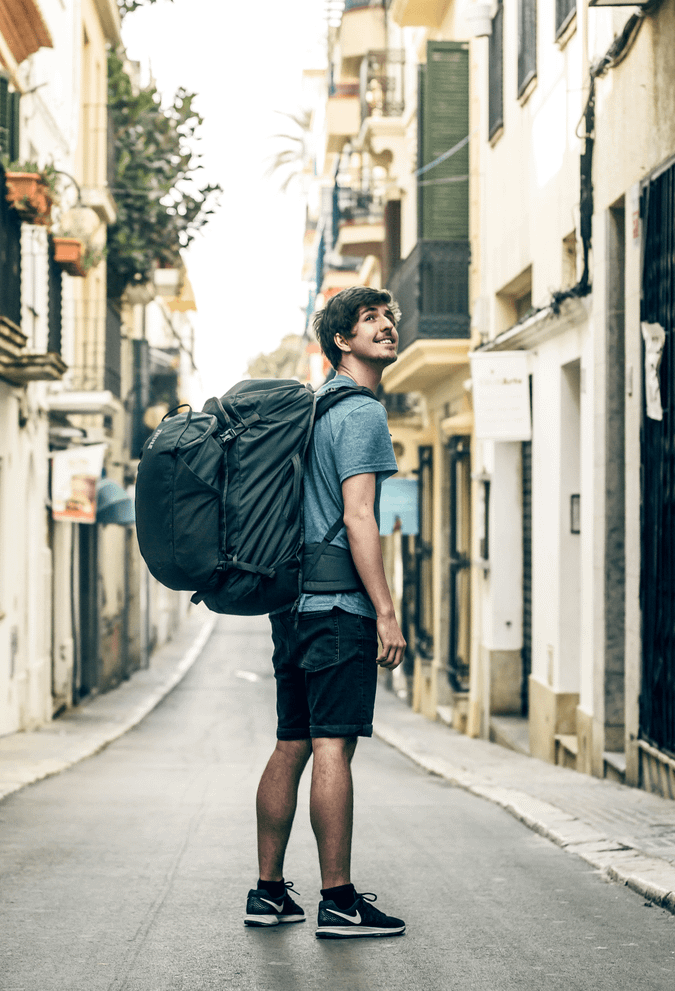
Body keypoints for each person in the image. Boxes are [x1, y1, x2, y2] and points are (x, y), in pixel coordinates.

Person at [244, 286, 407, 939]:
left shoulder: (309, 412)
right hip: (339, 606)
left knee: (291, 742)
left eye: (387, 317)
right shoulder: (360, 411)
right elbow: (358, 516)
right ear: (342, 340)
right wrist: (386, 611)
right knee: (331, 743)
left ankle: (268, 892)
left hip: (291, 606)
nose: (386, 327)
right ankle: (337, 899)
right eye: (370, 320)